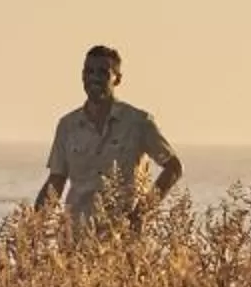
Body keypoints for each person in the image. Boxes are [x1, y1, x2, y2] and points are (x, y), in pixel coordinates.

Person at [35, 44, 183, 224]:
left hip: (121, 239)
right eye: (89, 71)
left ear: (117, 79)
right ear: (82, 76)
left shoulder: (138, 122)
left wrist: (141, 213)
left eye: (103, 72)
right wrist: (33, 228)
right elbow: (56, 181)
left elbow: (173, 167)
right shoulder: (68, 126)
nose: (94, 78)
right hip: (75, 238)